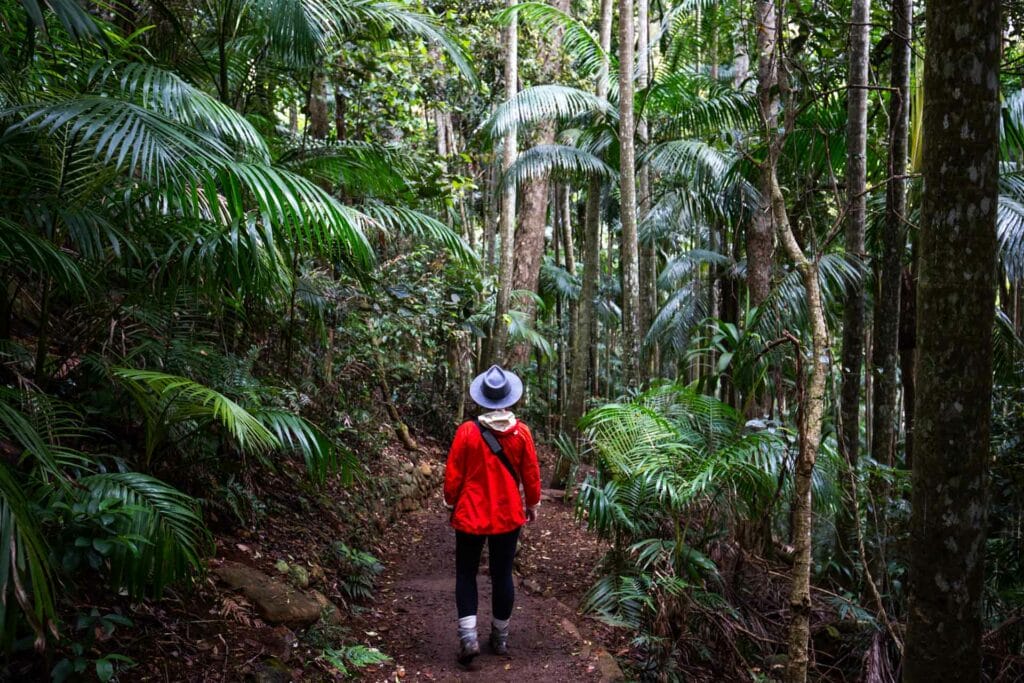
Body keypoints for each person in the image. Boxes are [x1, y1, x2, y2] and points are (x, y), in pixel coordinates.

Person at [443, 364, 541, 666]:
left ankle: (468, 637)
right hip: (508, 515)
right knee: (502, 575)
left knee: (465, 573)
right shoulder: (521, 432)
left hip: (470, 513)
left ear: (482, 399)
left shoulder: (467, 432)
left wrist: (450, 502)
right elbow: (531, 475)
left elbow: (453, 476)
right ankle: (499, 637)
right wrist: (532, 504)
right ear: (509, 399)